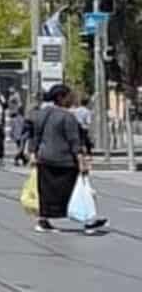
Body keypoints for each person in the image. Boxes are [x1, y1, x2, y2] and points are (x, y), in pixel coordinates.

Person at [31, 84, 107, 235]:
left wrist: (33, 154)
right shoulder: (67, 117)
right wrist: (81, 161)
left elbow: (36, 137)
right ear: (60, 97)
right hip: (65, 161)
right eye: (69, 96)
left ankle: (43, 220)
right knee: (78, 191)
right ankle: (88, 221)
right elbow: (74, 141)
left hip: (45, 159)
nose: (71, 99)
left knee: (47, 192)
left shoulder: (42, 114)